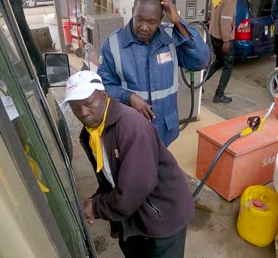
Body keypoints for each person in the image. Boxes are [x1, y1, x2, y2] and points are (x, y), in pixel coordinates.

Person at [62, 71, 194, 258]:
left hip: (163, 216)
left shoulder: (132, 128)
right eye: (75, 107)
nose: (83, 112)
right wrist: (96, 200)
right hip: (135, 214)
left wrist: (96, 206)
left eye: (89, 103)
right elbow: (111, 177)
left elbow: (133, 190)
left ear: (105, 95)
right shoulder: (91, 133)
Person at [97, 0, 210, 147]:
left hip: (164, 127)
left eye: (151, 22)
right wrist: (129, 97)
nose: (144, 27)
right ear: (132, 12)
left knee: (160, 167)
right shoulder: (113, 44)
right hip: (132, 127)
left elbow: (200, 61)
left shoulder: (171, 38)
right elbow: (103, 85)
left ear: (161, 18)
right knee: (137, 167)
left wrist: (178, 22)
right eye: (139, 19)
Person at [205, 0, 237, 104]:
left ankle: (199, 84)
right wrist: (226, 39)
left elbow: (209, 12)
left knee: (218, 61)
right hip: (223, 37)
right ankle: (219, 94)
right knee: (228, 66)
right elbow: (226, 19)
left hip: (214, 34)